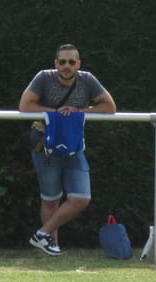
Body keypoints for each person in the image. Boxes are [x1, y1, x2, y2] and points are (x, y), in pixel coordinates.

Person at [18, 44, 116, 256]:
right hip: (46, 147)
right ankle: (51, 245)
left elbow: (109, 107)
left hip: (73, 147)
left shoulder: (87, 79)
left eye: (71, 62)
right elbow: (25, 106)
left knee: (81, 197)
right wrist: (56, 112)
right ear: (55, 63)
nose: (66, 66)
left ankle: (42, 234)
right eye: (62, 62)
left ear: (78, 64)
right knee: (50, 199)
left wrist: (78, 111)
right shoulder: (44, 77)